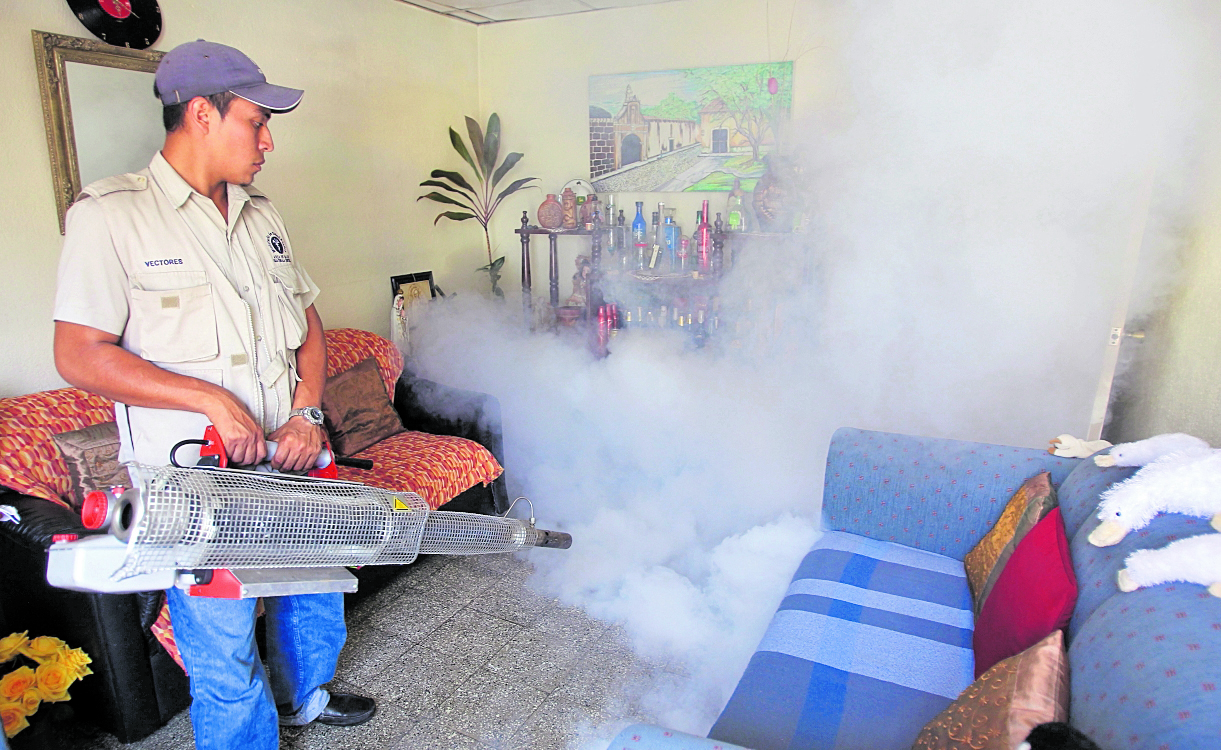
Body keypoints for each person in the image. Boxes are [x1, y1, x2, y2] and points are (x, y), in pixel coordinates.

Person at [51, 40, 376, 749]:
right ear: (201, 113)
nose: (268, 140)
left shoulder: (263, 215)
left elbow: (308, 322)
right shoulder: (111, 215)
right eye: (255, 121)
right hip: (196, 478)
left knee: (313, 595)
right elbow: (78, 354)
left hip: (291, 461)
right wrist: (208, 399)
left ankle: (302, 701)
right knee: (224, 646)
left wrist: (305, 411)